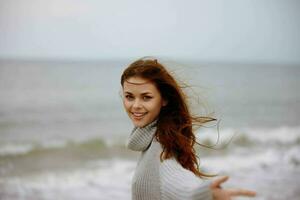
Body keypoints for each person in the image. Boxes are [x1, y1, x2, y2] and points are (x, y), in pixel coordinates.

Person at [120, 58, 256, 200]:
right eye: (129, 97)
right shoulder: (155, 140)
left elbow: (179, 183)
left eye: (146, 97)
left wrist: (206, 193)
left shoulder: (160, 147)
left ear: (164, 99)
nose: (135, 105)